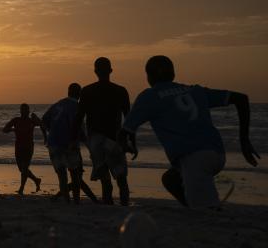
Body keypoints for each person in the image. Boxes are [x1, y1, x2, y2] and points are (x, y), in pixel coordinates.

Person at [119, 55, 260, 209]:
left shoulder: (149, 96)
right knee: (171, 179)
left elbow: (124, 131)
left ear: (149, 77)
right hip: (218, 154)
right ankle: (194, 204)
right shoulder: (195, 90)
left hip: (194, 159)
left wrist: (126, 146)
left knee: (207, 215)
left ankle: (201, 207)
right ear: (173, 74)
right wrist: (244, 141)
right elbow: (241, 99)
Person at [74, 57, 131, 205]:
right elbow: (130, 120)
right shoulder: (120, 91)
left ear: (95, 71)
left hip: (96, 141)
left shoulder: (86, 91)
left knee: (105, 181)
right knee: (122, 180)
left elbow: (78, 119)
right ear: (111, 70)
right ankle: (124, 207)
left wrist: (75, 140)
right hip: (115, 139)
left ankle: (108, 205)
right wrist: (131, 142)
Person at [43, 83, 98, 204]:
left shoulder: (58, 104)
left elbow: (44, 120)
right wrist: (88, 144)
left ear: (68, 92)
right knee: (76, 176)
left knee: (62, 177)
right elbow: (78, 127)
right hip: (69, 145)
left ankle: (67, 202)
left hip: (53, 144)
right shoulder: (77, 107)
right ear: (79, 94)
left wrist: (51, 132)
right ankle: (76, 202)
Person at [3, 103, 46, 194]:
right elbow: (4, 129)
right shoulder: (16, 120)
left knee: (24, 168)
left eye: (26, 110)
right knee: (21, 169)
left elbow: (43, 125)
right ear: (20, 111)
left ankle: (21, 189)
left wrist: (36, 118)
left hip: (29, 147)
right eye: (23, 110)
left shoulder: (31, 121)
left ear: (28, 111)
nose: (25, 112)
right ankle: (36, 180)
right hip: (18, 147)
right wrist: (12, 129)